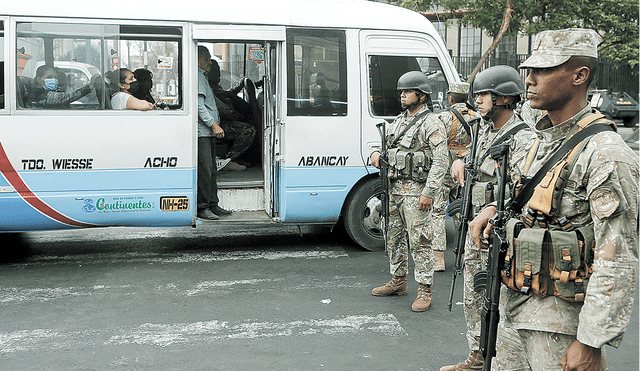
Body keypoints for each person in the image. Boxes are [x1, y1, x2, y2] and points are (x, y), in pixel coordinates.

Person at [468, 28, 638, 370]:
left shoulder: (605, 154)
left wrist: (591, 341)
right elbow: (526, 197)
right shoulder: (537, 140)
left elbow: (617, 257)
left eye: (543, 70)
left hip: (560, 324)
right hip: (512, 307)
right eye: (529, 69)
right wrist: (491, 210)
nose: (529, 80)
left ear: (580, 75)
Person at [439, 65, 535, 371]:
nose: (477, 100)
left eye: (485, 94)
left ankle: (504, 362)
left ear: (505, 98)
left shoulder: (523, 139)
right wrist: (459, 163)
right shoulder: (483, 130)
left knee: (503, 304)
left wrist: (495, 208)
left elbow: (527, 192)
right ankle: (477, 355)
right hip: (474, 228)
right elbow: (475, 163)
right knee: (474, 297)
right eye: (477, 94)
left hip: (502, 231)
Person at [370, 71, 449, 312]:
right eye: (401, 92)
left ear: (422, 95)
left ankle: (425, 289)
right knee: (393, 238)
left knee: (420, 241)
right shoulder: (399, 121)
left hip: (417, 193)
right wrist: (374, 154)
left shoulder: (432, 123)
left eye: (408, 91)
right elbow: (388, 148)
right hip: (394, 190)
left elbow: (441, 160)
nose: (403, 95)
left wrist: (429, 192)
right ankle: (399, 280)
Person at [432, 82, 479, 271]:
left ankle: (438, 259)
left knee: (437, 212)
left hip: (445, 171)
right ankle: (465, 254)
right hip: (465, 171)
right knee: (462, 211)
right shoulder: (477, 118)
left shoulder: (441, 117)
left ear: (450, 98)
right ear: (467, 98)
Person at [196, 46, 232, 220]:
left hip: (207, 132)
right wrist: (214, 125)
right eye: (206, 58)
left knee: (211, 170)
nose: (209, 62)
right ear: (198, 59)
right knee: (205, 171)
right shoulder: (197, 76)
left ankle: (212, 204)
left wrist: (223, 108)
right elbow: (199, 106)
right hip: (203, 132)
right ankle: (203, 207)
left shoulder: (202, 77)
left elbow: (210, 100)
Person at [206, 59, 257, 171]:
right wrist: (235, 115)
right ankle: (227, 160)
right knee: (249, 130)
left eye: (218, 70)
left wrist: (239, 86)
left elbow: (226, 94)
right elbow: (221, 107)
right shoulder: (208, 86)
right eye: (215, 70)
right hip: (217, 122)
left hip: (221, 119)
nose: (218, 73)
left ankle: (237, 157)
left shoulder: (215, 85)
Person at [30, 64, 101, 109]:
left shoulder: (47, 92)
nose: (53, 80)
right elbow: (66, 97)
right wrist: (90, 86)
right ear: (39, 79)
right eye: (49, 77)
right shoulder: (38, 94)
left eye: (55, 78)